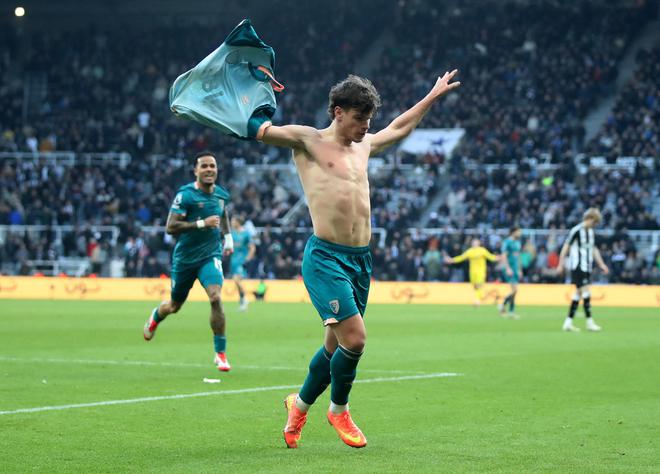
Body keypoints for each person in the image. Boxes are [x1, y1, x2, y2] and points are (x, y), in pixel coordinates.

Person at [259, 71, 461, 448]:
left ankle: (298, 406)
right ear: (338, 112)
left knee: (333, 348)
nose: (366, 126)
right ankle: (339, 409)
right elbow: (261, 130)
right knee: (355, 340)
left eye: (369, 119)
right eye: (359, 118)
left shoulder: (363, 145)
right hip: (325, 258)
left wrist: (432, 96)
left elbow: (399, 128)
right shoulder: (307, 140)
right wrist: (246, 94)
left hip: (360, 260)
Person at [142, 151, 235, 371]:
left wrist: (228, 238)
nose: (209, 169)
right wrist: (202, 224)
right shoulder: (185, 195)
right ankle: (156, 316)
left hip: (210, 256)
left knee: (215, 297)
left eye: (212, 166)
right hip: (185, 259)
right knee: (174, 306)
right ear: (196, 171)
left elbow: (222, 214)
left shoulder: (221, 195)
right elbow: (171, 227)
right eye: (204, 166)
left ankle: (220, 353)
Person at [557, 208, 610, 332]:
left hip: (587, 266)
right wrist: (560, 264)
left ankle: (568, 322)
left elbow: (593, 249)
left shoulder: (590, 232)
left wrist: (601, 264)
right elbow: (566, 247)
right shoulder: (576, 231)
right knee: (586, 292)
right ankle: (589, 322)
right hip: (577, 266)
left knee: (578, 294)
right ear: (589, 219)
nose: (595, 225)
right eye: (594, 222)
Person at [445, 238, 500, 306]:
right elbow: (461, 257)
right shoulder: (470, 251)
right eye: (474, 242)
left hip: (481, 271)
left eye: (476, 242)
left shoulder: (482, 251)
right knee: (475, 286)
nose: (475, 244)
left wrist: (498, 258)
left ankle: (477, 300)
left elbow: (491, 257)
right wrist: (452, 260)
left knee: (478, 285)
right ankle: (481, 297)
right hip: (472, 272)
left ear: (479, 243)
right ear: (472, 244)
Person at [229, 215, 256, 311]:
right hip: (233, 261)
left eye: (233, 221)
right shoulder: (232, 233)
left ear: (238, 222)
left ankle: (244, 299)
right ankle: (242, 302)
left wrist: (247, 260)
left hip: (242, 261)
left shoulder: (246, 234)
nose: (231, 222)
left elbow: (252, 248)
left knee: (237, 280)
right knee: (237, 282)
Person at [499, 227, 522, 319]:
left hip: (515, 269)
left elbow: (518, 256)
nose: (520, 234)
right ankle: (502, 304)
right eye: (518, 232)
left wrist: (519, 269)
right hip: (509, 269)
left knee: (514, 291)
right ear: (513, 232)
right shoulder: (507, 242)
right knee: (514, 290)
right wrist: (508, 268)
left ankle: (511, 311)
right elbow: (504, 256)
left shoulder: (518, 243)